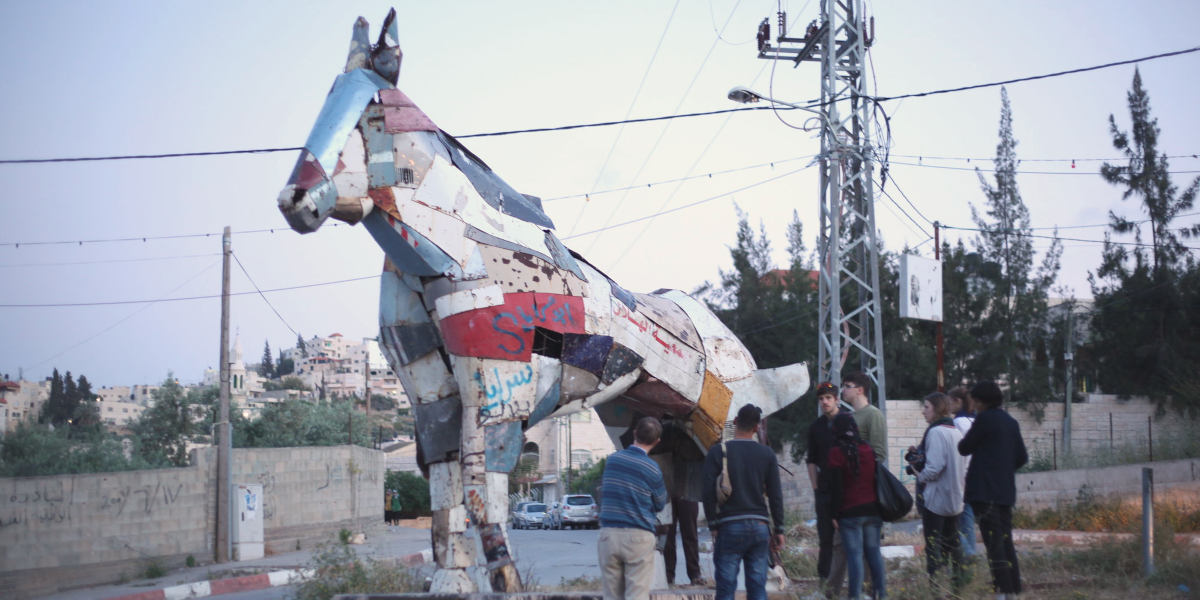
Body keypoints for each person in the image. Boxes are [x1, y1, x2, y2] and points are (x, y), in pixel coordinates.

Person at [702, 404, 785, 600]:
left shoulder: (717, 452)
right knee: (757, 586)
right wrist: (779, 529)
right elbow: (775, 495)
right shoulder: (767, 455)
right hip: (759, 526)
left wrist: (713, 523)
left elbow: (706, 492)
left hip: (729, 526)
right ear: (757, 427)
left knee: (726, 586)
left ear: (736, 422)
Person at [958, 381, 1028, 599]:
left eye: (974, 401)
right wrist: (1002, 470)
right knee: (1005, 541)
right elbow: (1022, 457)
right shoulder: (1011, 422)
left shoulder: (984, 419)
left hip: (983, 492)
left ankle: (1001, 591)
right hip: (1005, 492)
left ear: (980, 401)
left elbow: (964, 447)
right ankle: (1012, 591)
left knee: (993, 544)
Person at [598, 416, 669, 600]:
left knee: (612, 596)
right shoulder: (653, 469)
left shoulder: (613, 461)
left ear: (634, 433)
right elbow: (660, 503)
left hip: (609, 535)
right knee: (636, 595)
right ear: (657, 441)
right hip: (639, 536)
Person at [905, 392, 967, 591]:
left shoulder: (936, 432)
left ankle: (936, 589)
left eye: (926, 407)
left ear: (937, 409)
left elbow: (934, 468)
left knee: (934, 547)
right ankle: (958, 586)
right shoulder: (955, 431)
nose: (923, 411)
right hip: (955, 500)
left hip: (936, 501)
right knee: (953, 545)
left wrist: (917, 472)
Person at [827, 414, 886, 600]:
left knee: (854, 556)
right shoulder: (867, 449)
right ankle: (880, 594)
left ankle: (855, 596)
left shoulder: (836, 453)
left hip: (849, 513)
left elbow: (835, 487)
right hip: (873, 511)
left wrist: (833, 514)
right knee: (874, 554)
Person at [805, 382, 848, 596]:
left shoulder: (847, 421)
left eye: (828, 398)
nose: (824, 402)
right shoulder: (816, 427)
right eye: (821, 399)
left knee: (849, 537)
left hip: (847, 490)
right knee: (826, 538)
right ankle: (825, 584)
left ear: (837, 400)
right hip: (825, 490)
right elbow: (811, 460)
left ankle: (855, 584)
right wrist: (815, 488)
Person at [948, 385, 978, 558]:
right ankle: (971, 552)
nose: (949, 406)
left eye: (950, 402)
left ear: (958, 401)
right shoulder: (975, 421)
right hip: (974, 474)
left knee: (957, 519)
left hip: (961, 475)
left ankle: (967, 553)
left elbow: (956, 450)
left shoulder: (958, 423)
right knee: (968, 518)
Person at [843, 372, 887, 464]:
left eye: (847, 386)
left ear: (859, 390)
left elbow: (879, 454)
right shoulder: (848, 416)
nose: (843, 390)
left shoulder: (874, 414)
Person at [664, 495, 703, 586]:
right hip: (668, 490)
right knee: (668, 537)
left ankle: (695, 574)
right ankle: (668, 575)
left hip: (687, 489)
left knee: (690, 533)